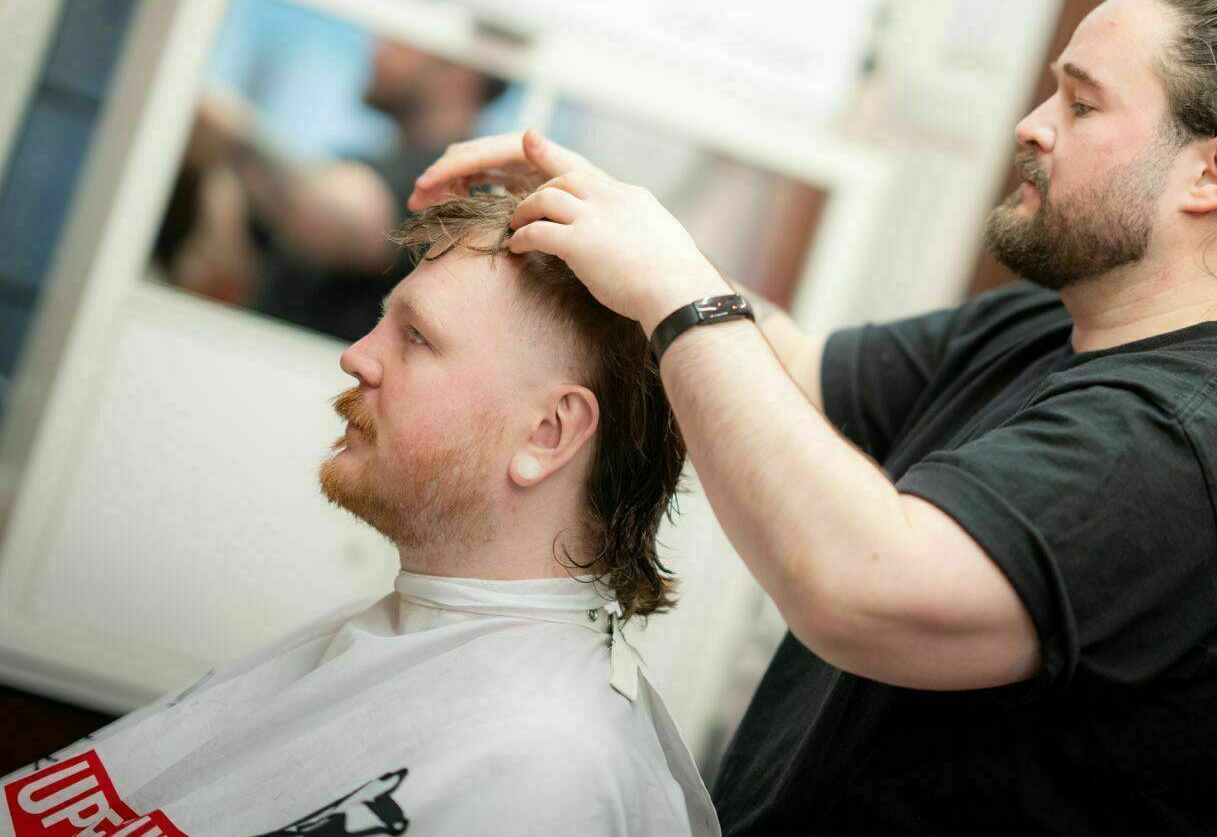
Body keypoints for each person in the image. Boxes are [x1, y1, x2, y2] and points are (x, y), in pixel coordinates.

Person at [408, 0, 1217, 834]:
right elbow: (789, 372)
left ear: (1214, 173)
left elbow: (861, 587)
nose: (1032, 124)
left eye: (1082, 102)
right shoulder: (1047, 328)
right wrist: (609, 221)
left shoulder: (1203, 448)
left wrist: (674, 289)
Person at [2, 194, 717, 837]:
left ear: (547, 434)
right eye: (382, 322)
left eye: (416, 336)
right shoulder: (415, 633)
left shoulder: (545, 769)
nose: (356, 357)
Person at [164, 39, 508, 340]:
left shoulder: (461, 184)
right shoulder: (360, 163)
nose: (378, 45)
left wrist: (231, 132)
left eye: (404, 39)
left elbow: (344, 219)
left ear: (463, 72)